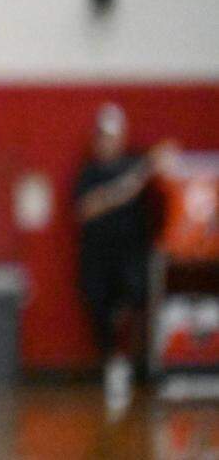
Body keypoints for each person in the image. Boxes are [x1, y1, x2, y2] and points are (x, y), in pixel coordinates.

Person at [74, 103, 173, 415]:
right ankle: (111, 362)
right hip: (96, 256)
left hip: (130, 253)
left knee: (136, 299)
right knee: (98, 307)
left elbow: (166, 158)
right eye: (102, 137)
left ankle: (133, 363)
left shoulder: (136, 164)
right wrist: (121, 191)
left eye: (113, 137)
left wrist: (153, 165)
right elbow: (85, 209)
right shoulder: (88, 174)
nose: (107, 143)